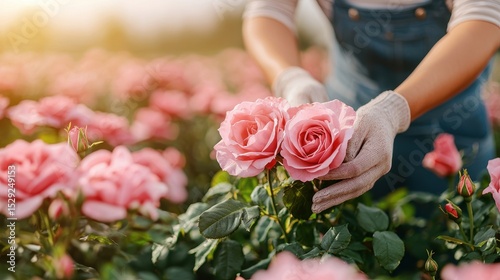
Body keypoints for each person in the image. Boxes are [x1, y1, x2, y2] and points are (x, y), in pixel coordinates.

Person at [242, 0, 500, 213]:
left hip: (452, 133)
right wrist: (291, 79)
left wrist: (393, 110)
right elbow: (268, 11)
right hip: (350, 137)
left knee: (455, 245)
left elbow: (483, 19)